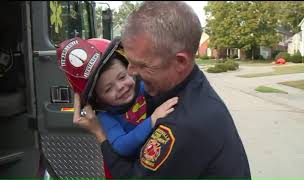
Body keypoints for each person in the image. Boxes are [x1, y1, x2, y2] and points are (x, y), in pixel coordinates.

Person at [73, 1, 251, 178]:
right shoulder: (187, 86)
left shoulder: (180, 125)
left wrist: (99, 133)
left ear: (180, 62)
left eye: (142, 65)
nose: (131, 72)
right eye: (130, 62)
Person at [57, 37, 178, 157]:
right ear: (98, 100)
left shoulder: (143, 85)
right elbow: (121, 146)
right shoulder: (106, 116)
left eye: (122, 77)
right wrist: (152, 120)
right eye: (108, 89)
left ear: (129, 68)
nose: (120, 87)